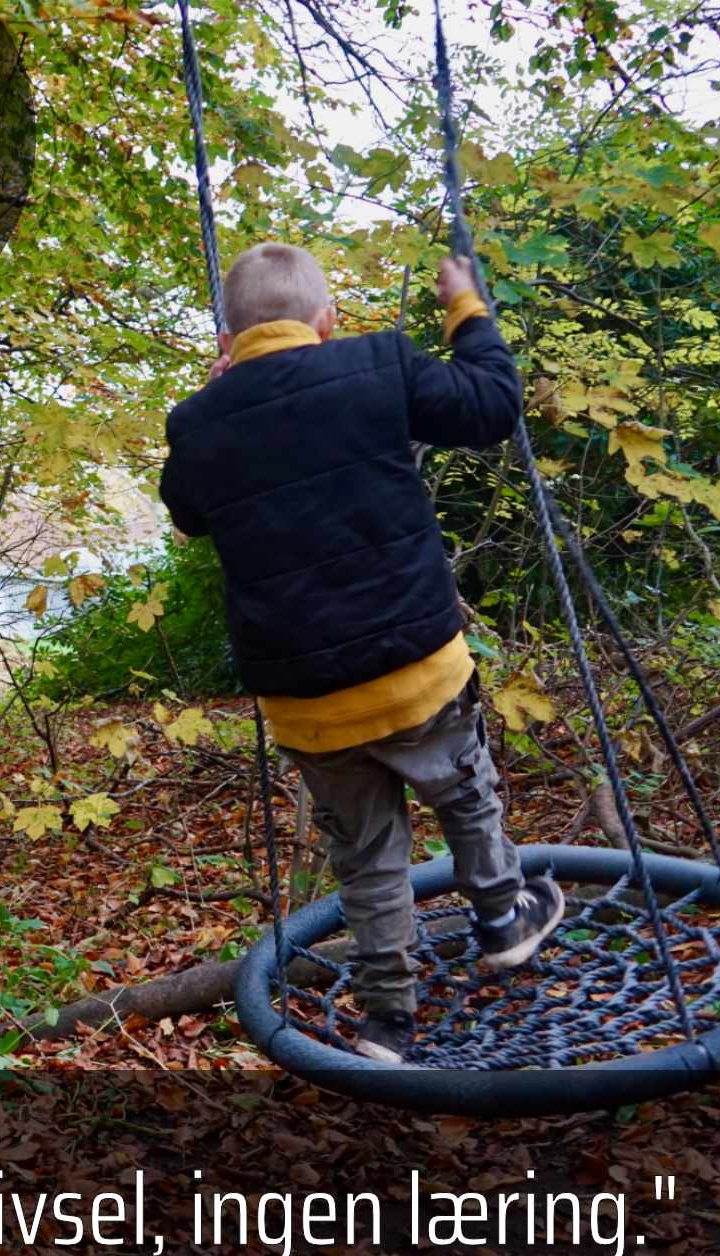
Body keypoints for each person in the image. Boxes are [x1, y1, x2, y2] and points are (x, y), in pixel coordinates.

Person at [160, 242, 564, 1064]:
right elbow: (492, 406)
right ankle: (503, 918)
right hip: (417, 671)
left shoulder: (199, 421)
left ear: (229, 339)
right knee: (466, 796)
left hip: (307, 702)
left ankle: (388, 1019)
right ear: (327, 321)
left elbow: (187, 513)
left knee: (368, 857)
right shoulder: (376, 364)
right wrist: (465, 307)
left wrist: (212, 398)